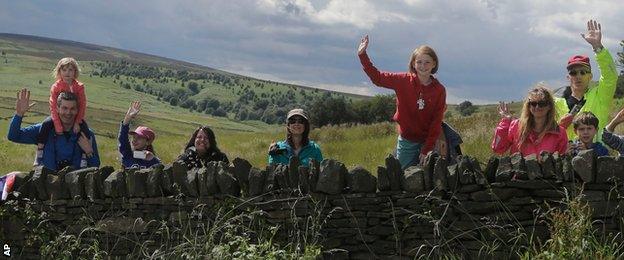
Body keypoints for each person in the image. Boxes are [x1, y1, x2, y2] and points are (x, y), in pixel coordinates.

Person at [358, 35, 446, 169]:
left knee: (433, 177)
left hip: (430, 140)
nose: (423, 66)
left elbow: (436, 120)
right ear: (413, 64)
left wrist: (427, 148)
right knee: (403, 176)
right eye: (419, 62)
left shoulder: (439, 90)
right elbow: (378, 78)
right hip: (407, 141)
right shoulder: (402, 81)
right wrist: (362, 55)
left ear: (434, 64)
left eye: (427, 62)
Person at [555, 20, 617, 142]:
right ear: (568, 77)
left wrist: (598, 47)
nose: (578, 76)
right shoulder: (555, 103)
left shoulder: (600, 96)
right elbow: (546, 135)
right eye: (573, 72)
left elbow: (610, 76)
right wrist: (559, 127)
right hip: (565, 158)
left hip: (597, 157)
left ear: (590, 76)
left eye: (583, 72)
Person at [8, 89, 100, 170]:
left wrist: (89, 151)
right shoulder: (44, 130)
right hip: (46, 185)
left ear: (77, 110)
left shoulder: (87, 134)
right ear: (57, 109)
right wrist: (19, 114)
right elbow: (13, 136)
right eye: (64, 108)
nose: (68, 112)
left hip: (75, 187)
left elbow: (96, 167)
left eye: (72, 109)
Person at [35, 57, 91, 163]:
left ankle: (84, 155)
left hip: (75, 117)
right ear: (59, 71)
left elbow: (82, 105)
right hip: (57, 115)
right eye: (64, 70)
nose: (67, 73)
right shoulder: (56, 87)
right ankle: (39, 151)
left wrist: (77, 122)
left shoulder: (79, 87)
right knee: (46, 125)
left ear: (75, 72)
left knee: (86, 130)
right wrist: (57, 125)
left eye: (70, 70)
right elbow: (53, 106)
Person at [492, 85, 568, 157]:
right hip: (518, 170)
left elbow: (562, 161)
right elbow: (498, 149)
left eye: (542, 103)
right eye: (533, 103)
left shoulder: (559, 133)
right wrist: (505, 122)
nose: (537, 107)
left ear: (549, 106)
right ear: (528, 106)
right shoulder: (516, 126)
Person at [118, 101, 161, 169]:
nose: (134, 140)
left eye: (139, 138)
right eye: (134, 137)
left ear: (148, 142)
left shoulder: (153, 161)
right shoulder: (128, 154)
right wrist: (127, 118)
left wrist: (152, 158)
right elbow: (122, 139)